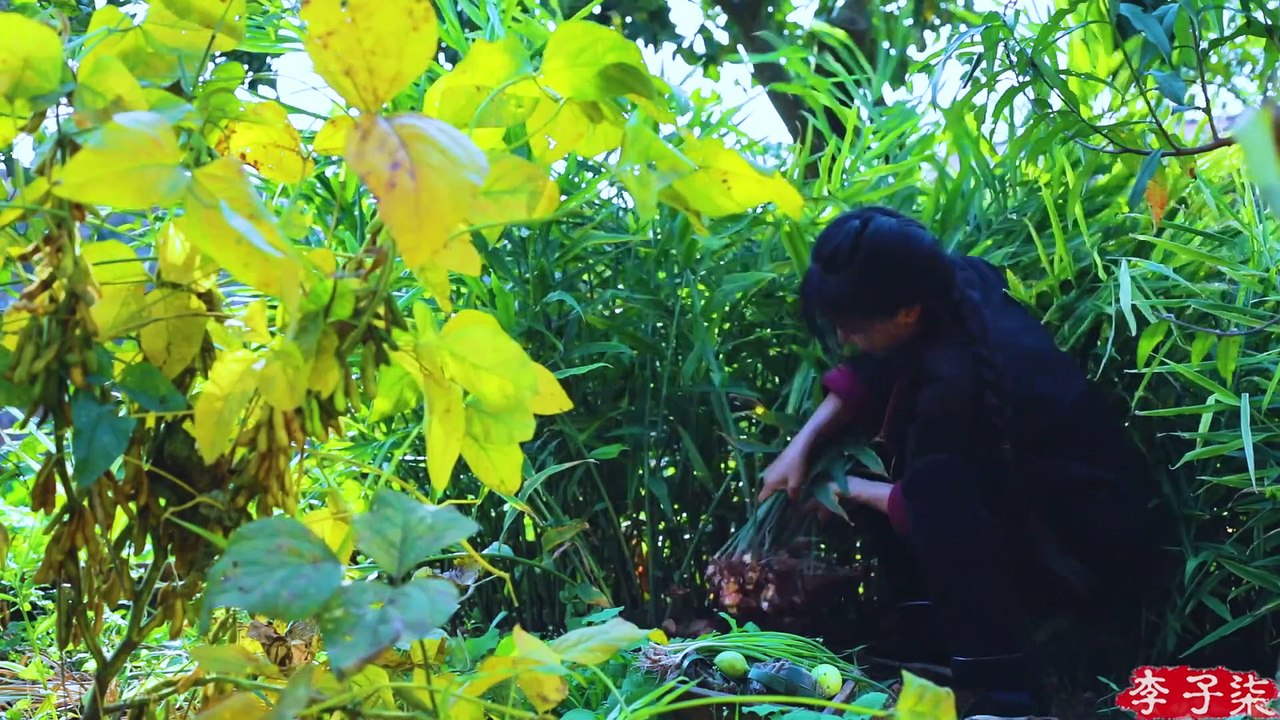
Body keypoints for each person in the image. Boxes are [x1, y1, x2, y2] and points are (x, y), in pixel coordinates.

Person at [757, 206, 1174, 720]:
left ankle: (1003, 693)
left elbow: (932, 502)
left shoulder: (959, 386)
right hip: (1018, 498)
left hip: (1085, 541)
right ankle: (931, 655)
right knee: (892, 467)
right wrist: (799, 446)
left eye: (853, 327)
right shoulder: (955, 282)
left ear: (906, 312)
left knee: (917, 483)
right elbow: (873, 367)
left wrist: (848, 488)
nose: (844, 340)